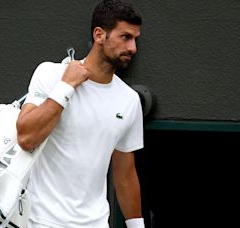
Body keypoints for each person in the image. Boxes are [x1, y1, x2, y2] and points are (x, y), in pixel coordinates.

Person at [16, 0, 144, 227]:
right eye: (125, 37)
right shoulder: (51, 74)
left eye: (135, 39)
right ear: (99, 35)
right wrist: (66, 86)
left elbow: (125, 174)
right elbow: (27, 137)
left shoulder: (129, 101)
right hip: (41, 221)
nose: (133, 48)